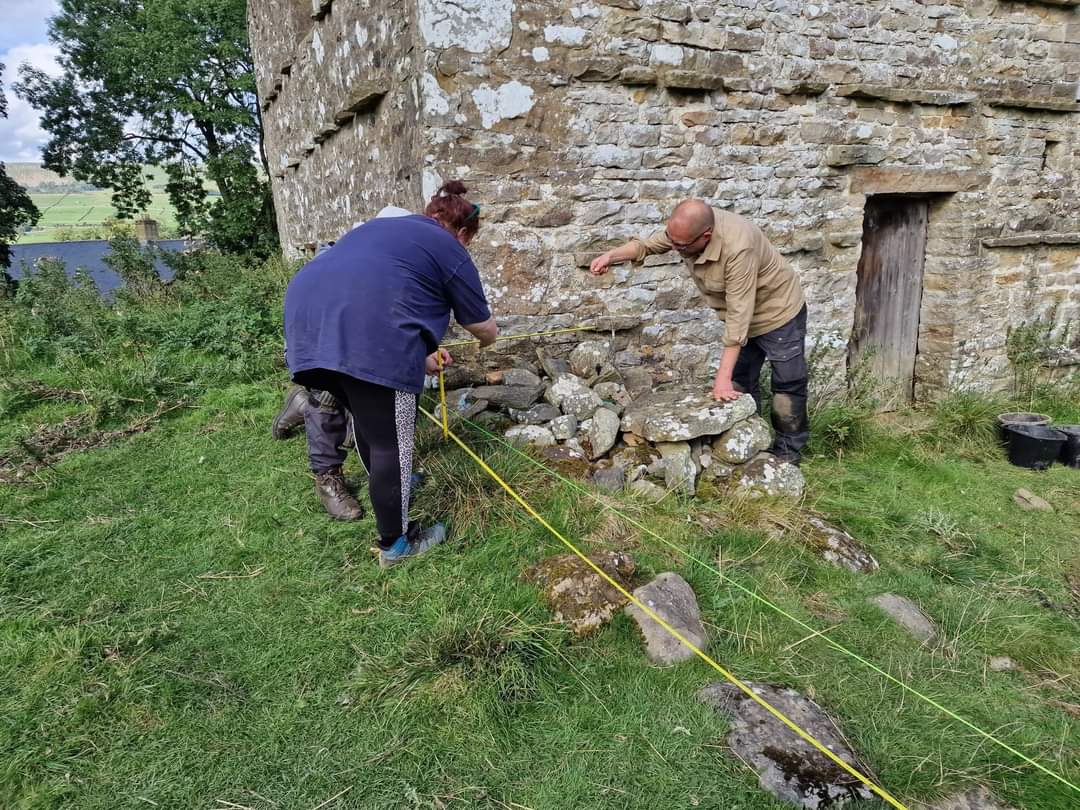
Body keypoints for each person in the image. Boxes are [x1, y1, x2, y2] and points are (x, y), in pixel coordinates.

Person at [284, 181, 497, 567]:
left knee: (371, 423)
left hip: (308, 327)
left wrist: (421, 356)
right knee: (392, 446)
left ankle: (393, 490)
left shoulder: (376, 230)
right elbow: (483, 325)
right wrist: (487, 341)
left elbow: (380, 297)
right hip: (365, 339)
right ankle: (396, 545)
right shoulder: (447, 245)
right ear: (462, 231)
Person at [589, 199, 809, 464]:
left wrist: (720, 378)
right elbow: (647, 245)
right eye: (673, 240)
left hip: (778, 312)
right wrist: (610, 256)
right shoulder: (685, 231)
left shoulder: (739, 246)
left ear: (706, 236)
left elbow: (739, 316)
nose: (676, 249)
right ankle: (750, 439)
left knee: (787, 382)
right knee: (741, 379)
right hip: (741, 316)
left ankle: (787, 454)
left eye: (681, 246)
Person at [271, 205, 416, 522]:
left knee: (365, 394)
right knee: (327, 398)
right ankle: (328, 477)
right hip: (316, 339)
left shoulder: (384, 262)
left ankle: (301, 406)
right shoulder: (346, 262)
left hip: (348, 338)